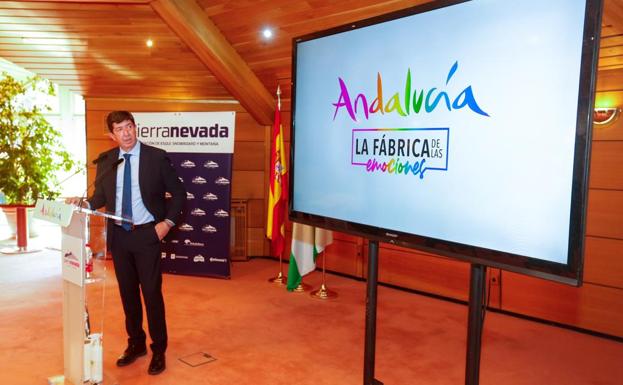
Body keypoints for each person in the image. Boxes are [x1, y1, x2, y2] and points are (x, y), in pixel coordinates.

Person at [70, 111, 185, 375]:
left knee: (152, 293)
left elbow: (179, 193)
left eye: (129, 126)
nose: (126, 133)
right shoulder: (108, 160)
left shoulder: (156, 157)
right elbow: (99, 196)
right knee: (128, 294)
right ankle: (136, 344)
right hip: (119, 237)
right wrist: (84, 204)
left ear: (135, 127)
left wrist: (166, 224)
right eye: (119, 129)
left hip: (147, 235)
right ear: (112, 135)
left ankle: (159, 349)